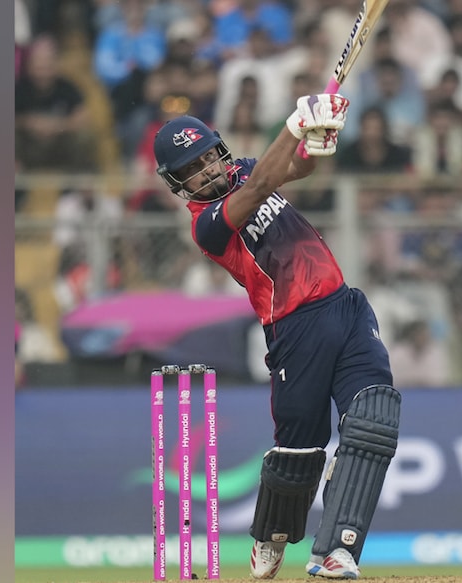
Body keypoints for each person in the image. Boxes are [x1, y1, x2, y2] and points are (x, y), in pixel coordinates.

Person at [152, 95, 402, 580]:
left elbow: (290, 171)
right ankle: (272, 535)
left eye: (208, 157)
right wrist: (295, 122)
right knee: (301, 451)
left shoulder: (245, 170)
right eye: (193, 169)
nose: (207, 171)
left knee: (373, 421)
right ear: (178, 184)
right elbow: (267, 178)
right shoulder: (207, 225)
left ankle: (337, 550)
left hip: (344, 305)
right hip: (294, 327)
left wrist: (313, 145)